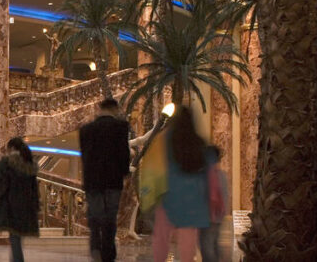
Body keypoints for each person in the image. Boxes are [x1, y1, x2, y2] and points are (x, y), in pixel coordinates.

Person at [146, 106, 215, 262]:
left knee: (162, 235)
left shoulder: (163, 140)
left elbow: (152, 167)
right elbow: (208, 171)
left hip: (168, 194)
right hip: (193, 198)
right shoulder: (198, 142)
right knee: (188, 236)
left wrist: (150, 193)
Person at [78, 98, 131, 262]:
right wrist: (125, 173)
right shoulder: (120, 127)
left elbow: (85, 157)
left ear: (100, 109)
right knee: (110, 216)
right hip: (113, 181)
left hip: (93, 181)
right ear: (114, 109)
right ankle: (108, 252)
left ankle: (95, 247)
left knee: (95, 215)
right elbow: (124, 153)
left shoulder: (86, 130)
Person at [0, 137, 40, 262]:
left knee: (14, 237)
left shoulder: (7, 162)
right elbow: (34, 188)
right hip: (26, 206)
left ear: (12, 148)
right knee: (17, 237)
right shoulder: (30, 164)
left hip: (11, 204)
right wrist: (36, 205)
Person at [198, 145, 228, 262]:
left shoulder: (206, 175)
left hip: (208, 217)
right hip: (218, 217)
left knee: (207, 248)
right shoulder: (221, 175)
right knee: (214, 245)